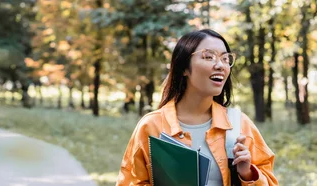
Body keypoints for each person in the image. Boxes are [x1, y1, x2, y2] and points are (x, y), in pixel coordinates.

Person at [116, 29, 278, 186]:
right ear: (184, 67)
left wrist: (248, 173)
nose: (220, 65)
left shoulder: (238, 124)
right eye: (209, 57)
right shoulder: (151, 126)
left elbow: (270, 181)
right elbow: (129, 181)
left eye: (225, 59)